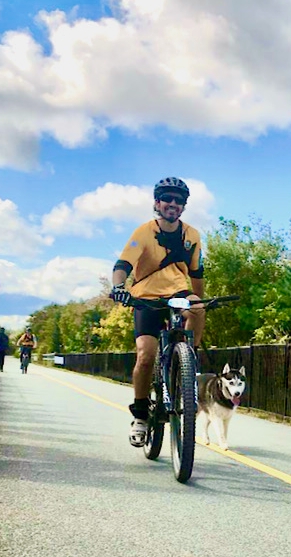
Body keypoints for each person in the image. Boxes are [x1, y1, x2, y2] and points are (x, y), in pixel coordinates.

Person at [109, 176, 205, 447]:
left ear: (184, 206)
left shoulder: (192, 235)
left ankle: (188, 364)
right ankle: (140, 416)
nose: (173, 204)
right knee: (146, 356)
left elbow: (197, 273)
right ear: (157, 203)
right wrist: (119, 287)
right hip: (146, 298)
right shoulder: (143, 233)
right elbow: (123, 265)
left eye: (178, 200)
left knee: (197, 308)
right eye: (167, 199)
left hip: (177, 294)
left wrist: (201, 300)